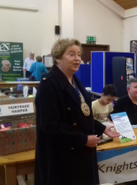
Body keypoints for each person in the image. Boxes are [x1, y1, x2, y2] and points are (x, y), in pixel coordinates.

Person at [34, 38, 120, 185]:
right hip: (62, 156)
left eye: (79, 55)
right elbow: (51, 126)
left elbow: (83, 114)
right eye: (71, 54)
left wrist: (102, 128)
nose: (78, 59)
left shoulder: (75, 81)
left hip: (80, 153)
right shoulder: (48, 85)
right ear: (57, 58)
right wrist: (83, 139)